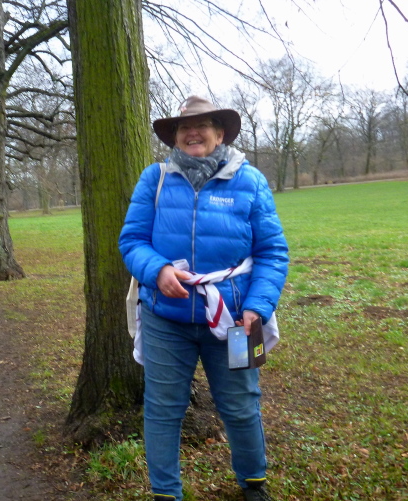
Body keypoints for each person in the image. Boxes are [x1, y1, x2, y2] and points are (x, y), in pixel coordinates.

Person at [118, 96, 289, 501]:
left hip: (237, 320)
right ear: (175, 136)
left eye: (203, 125)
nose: (192, 133)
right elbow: (133, 240)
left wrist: (257, 308)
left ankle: (254, 483)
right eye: (184, 127)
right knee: (162, 409)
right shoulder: (155, 179)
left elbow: (272, 252)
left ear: (220, 133)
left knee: (242, 404)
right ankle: (165, 493)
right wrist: (158, 270)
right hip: (165, 318)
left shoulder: (250, 181)